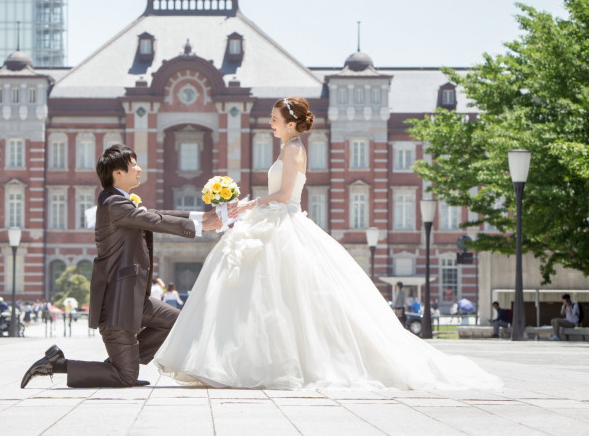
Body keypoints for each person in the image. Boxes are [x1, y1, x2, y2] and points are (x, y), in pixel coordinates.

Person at [154, 96, 502, 390]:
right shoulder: (290, 147)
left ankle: (256, 363)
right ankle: (240, 360)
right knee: (262, 292)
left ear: (291, 124)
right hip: (276, 219)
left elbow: (287, 194)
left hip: (282, 219)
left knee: (273, 291)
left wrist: (248, 204)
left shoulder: (292, 150)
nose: (271, 125)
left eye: (275, 120)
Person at [21, 144, 224, 388]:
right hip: (117, 305)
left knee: (177, 323)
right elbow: (151, 219)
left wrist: (203, 217)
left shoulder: (121, 202)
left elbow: (158, 213)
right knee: (124, 377)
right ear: (118, 173)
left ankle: (120, 364)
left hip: (134, 300)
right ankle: (57, 364)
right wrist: (203, 227)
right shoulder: (113, 203)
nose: (139, 169)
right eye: (133, 165)